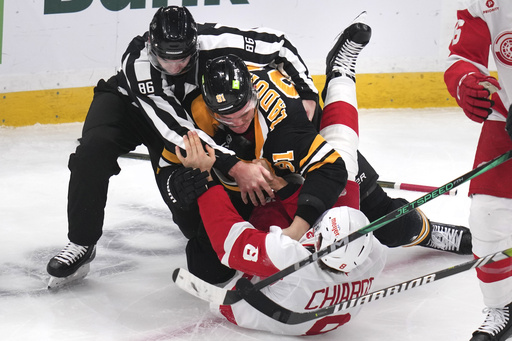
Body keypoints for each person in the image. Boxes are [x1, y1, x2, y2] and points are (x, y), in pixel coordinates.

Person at [46, 6, 320, 288]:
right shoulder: (138, 64)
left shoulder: (215, 41)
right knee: (93, 151)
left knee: (190, 221)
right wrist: (237, 167)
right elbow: (178, 131)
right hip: (132, 108)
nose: (174, 67)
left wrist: (308, 92)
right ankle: (81, 242)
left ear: (195, 45)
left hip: (183, 113)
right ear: (152, 46)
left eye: (182, 59)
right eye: (165, 59)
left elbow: (279, 45)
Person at [189, 13, 472, 254]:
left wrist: (295, 225)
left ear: (254, 96)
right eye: (226, 116)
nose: (237, 121)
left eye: (244, 111)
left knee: (382, 219)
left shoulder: (284, 118)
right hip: (272, 166)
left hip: (305, 137)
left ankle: (340, 72)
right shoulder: (198, 112)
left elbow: (331, 170)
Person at [176, 129, 387, 336]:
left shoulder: (290, 258)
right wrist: (283, 187)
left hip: (249, 309)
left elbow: (228, 240)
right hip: (312, 314)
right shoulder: (373, 255)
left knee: (205, 264)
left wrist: (203, 179)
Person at [444, 1, 512, 340]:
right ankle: (502, 305)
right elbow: (462, 56)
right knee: (488, 214)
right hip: (508, 112)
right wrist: (466, 82)